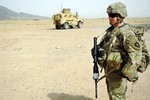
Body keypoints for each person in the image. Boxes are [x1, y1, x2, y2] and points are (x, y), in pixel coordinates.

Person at [93, 2, 143, 100]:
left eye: (112, 15)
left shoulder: (126, 33)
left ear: (120, 16)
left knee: (117, 97)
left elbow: (136, 57)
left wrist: (125, 73)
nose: (109, 18)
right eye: (109, 15)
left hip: (118, 74)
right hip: (110, 71)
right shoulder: (111, 30)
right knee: (112, 95)